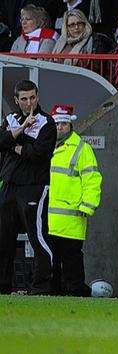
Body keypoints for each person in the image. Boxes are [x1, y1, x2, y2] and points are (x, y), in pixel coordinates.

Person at [0, 80, 56, 295]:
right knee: (4, 239)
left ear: (38, 97)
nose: (28, 102)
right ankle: (3, 287)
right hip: (9, 186)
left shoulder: (46, 123)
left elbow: (39, 154)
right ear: (16, 100)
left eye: (32, 97)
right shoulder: (11, 119)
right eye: (24, 98)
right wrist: (21, 131)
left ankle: (41, 288)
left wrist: (12, 143)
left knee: (38, 238)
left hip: (33, 187)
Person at [47, 104, 102, 296]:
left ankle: (75, 294)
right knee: (51, 261)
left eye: (63, 123)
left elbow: (92, 179)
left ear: (70, 124)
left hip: (72, 217)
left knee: (71, 261)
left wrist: (88, 206)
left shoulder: (81, 149)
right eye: (57, 124)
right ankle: (54, 294)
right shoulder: (47, 146)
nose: (60, 127)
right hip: (49, 218)